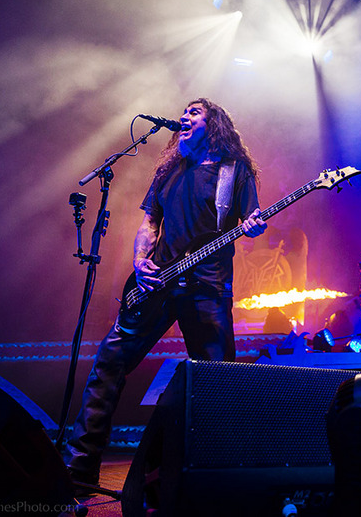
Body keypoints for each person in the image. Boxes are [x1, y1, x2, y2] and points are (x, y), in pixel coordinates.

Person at [65, 98, 266, 489]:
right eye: (184, 112)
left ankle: (215, 478)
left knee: (216, 381)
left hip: (207, 286)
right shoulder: (169, 170)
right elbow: (149, 222)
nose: (184, 117)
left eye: (194, 113)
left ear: (214, 124)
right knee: (109, 361)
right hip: (156, 284)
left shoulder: (234, 171)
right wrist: (140, 261)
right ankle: (80, 468)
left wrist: (254, 227)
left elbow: (251, 223)